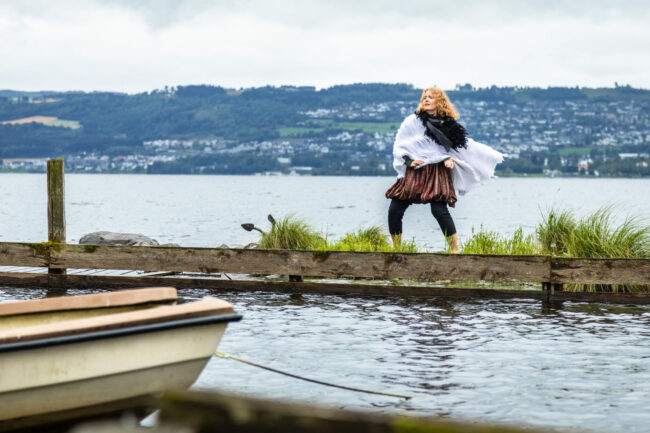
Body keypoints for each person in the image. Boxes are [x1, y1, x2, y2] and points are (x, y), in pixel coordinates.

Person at [385, 87, 503, 253]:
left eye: (431, 97)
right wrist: (409, 161)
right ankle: (397, 249)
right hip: (416, 170)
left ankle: (455, 250)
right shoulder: (412, 122)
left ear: (439, 101)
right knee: (395, 209)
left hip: (436, 171)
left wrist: (449, 160)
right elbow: (400, 146)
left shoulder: (448, 125)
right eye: (424, 97)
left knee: (439, 209)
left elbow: (455, 149)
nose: (426, 99)